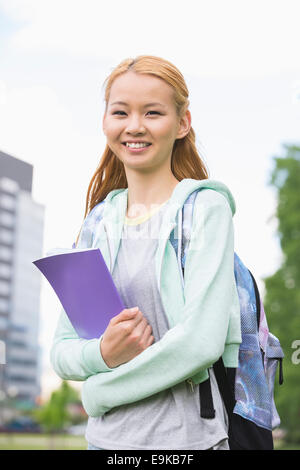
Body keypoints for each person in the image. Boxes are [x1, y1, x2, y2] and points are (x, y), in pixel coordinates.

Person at [50, 55, 242, 451]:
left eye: (152, 112)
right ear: (106, 122)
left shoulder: (205, 209)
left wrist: (98, 393)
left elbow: (201, 344)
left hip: (189, 444)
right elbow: (62, 351)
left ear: (182, 123)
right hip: (103, 444)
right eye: (121, 112)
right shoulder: (97, 223)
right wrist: (103, 352)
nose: (134, 126)